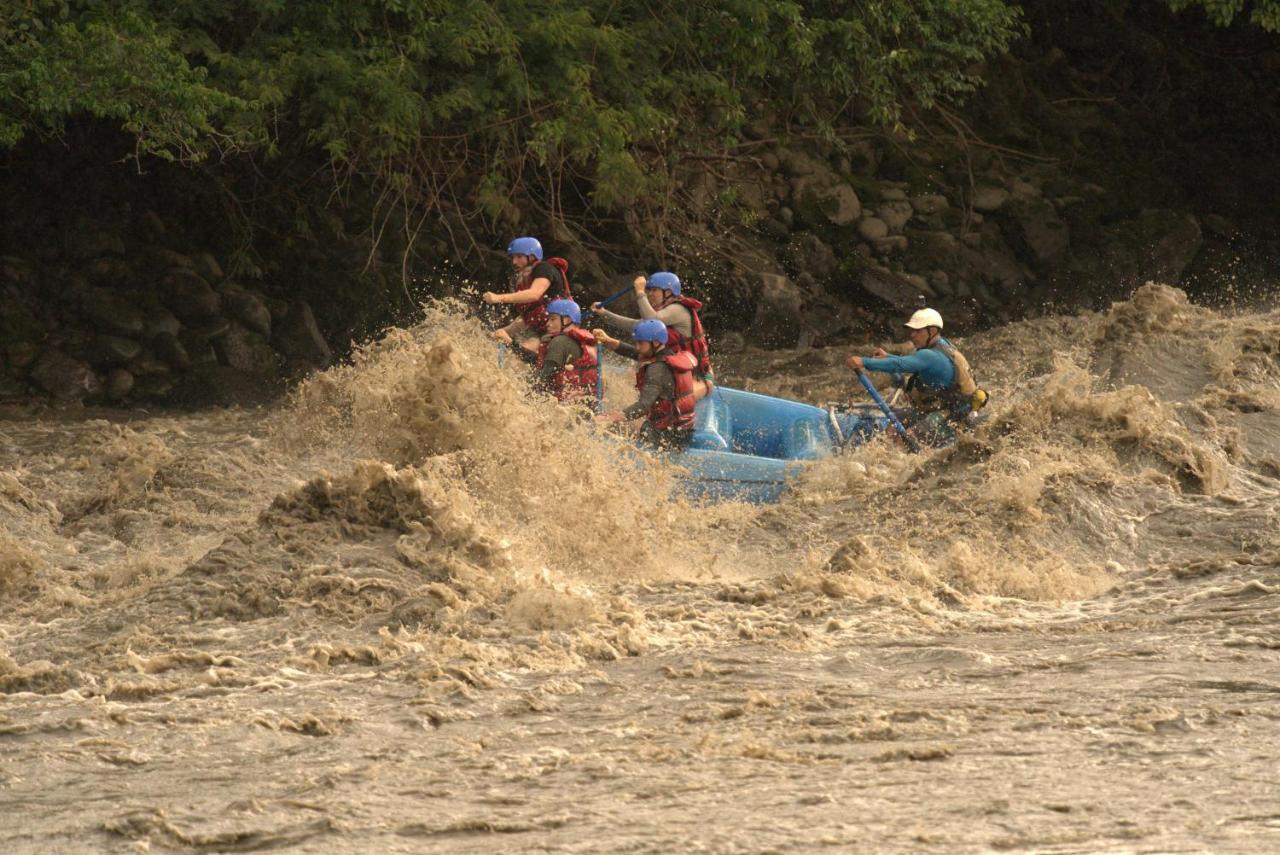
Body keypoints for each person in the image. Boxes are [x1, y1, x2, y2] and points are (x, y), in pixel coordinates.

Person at [846, 307, 987, 448]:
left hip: (951, 417)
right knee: (893, 428)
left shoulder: (930, 355)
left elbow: (900, 364)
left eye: (918, 331)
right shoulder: (942, 346)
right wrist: (888, 357)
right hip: (938, 409)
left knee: (904, 441)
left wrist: (864, 362)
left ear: (932, 331)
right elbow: (913, 362)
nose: (912, 335)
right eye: (912, 331)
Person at [591, 271, 714, 398]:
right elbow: (634, 325)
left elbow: (653, 318)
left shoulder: (678, 310)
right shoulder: (663, 314)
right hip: (673, 369)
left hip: (698, 375)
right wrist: (604, 314)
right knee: (629, 379)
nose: (650, 295)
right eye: (649, 291)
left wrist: (640, 293)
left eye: (654, 290)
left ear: (668, 292)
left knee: (680, 398)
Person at [593, 319, 697, 451]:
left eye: (640, 343)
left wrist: (610, 418)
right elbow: (634, 352)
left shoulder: (657, 369)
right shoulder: (668, 355)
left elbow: (643, 406)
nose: (637, 347)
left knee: (613, 426)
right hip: (683, 431)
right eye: (636, 342)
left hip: (668, 437)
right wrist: (608, 340)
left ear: (656, 342)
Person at [483, 237, 572, 352]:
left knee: (520, 354)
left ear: (532, 257)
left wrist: (498, 297)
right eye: (513, 257)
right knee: (517, 353)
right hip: (543, 333)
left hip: (561, 332)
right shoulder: (524, 278)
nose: (514, 262)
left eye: (519, 257)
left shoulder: (544, 268)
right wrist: (505, 331)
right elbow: (528, 316)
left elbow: (534, 294)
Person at [518, 298, 598, 408]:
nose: (547, 323)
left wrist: (522, 402)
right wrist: (511, 344)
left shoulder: (559, 342)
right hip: (586, 405)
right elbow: (539, 361)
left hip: (567, 406)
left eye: (552, 319)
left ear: (566, 320)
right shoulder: (574, 342)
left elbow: (543, 378)